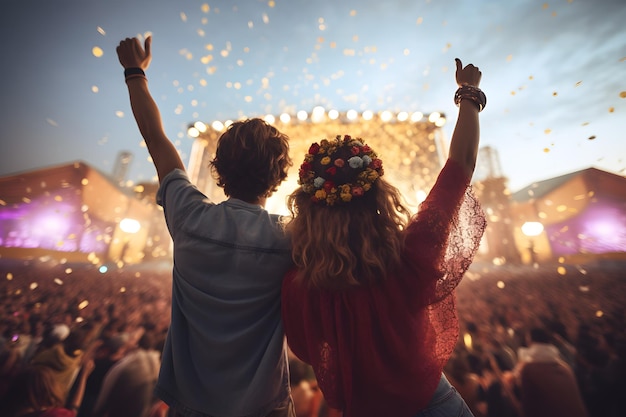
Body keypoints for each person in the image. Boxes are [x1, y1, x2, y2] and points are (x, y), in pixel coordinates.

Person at [281, 58, 487, 417]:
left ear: (308, 208)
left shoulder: (299, 285)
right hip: (435, 406)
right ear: (379, 197)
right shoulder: (411, 256)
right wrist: (468, 95)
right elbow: (461, 166)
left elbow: (305, 349)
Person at [116, 36, 295, 417]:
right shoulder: (292, 237)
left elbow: (155, 139)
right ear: (278, 177)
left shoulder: (189, 216)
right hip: (265, 407)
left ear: (219, 170)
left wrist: (136, 74)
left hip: (190, 405)